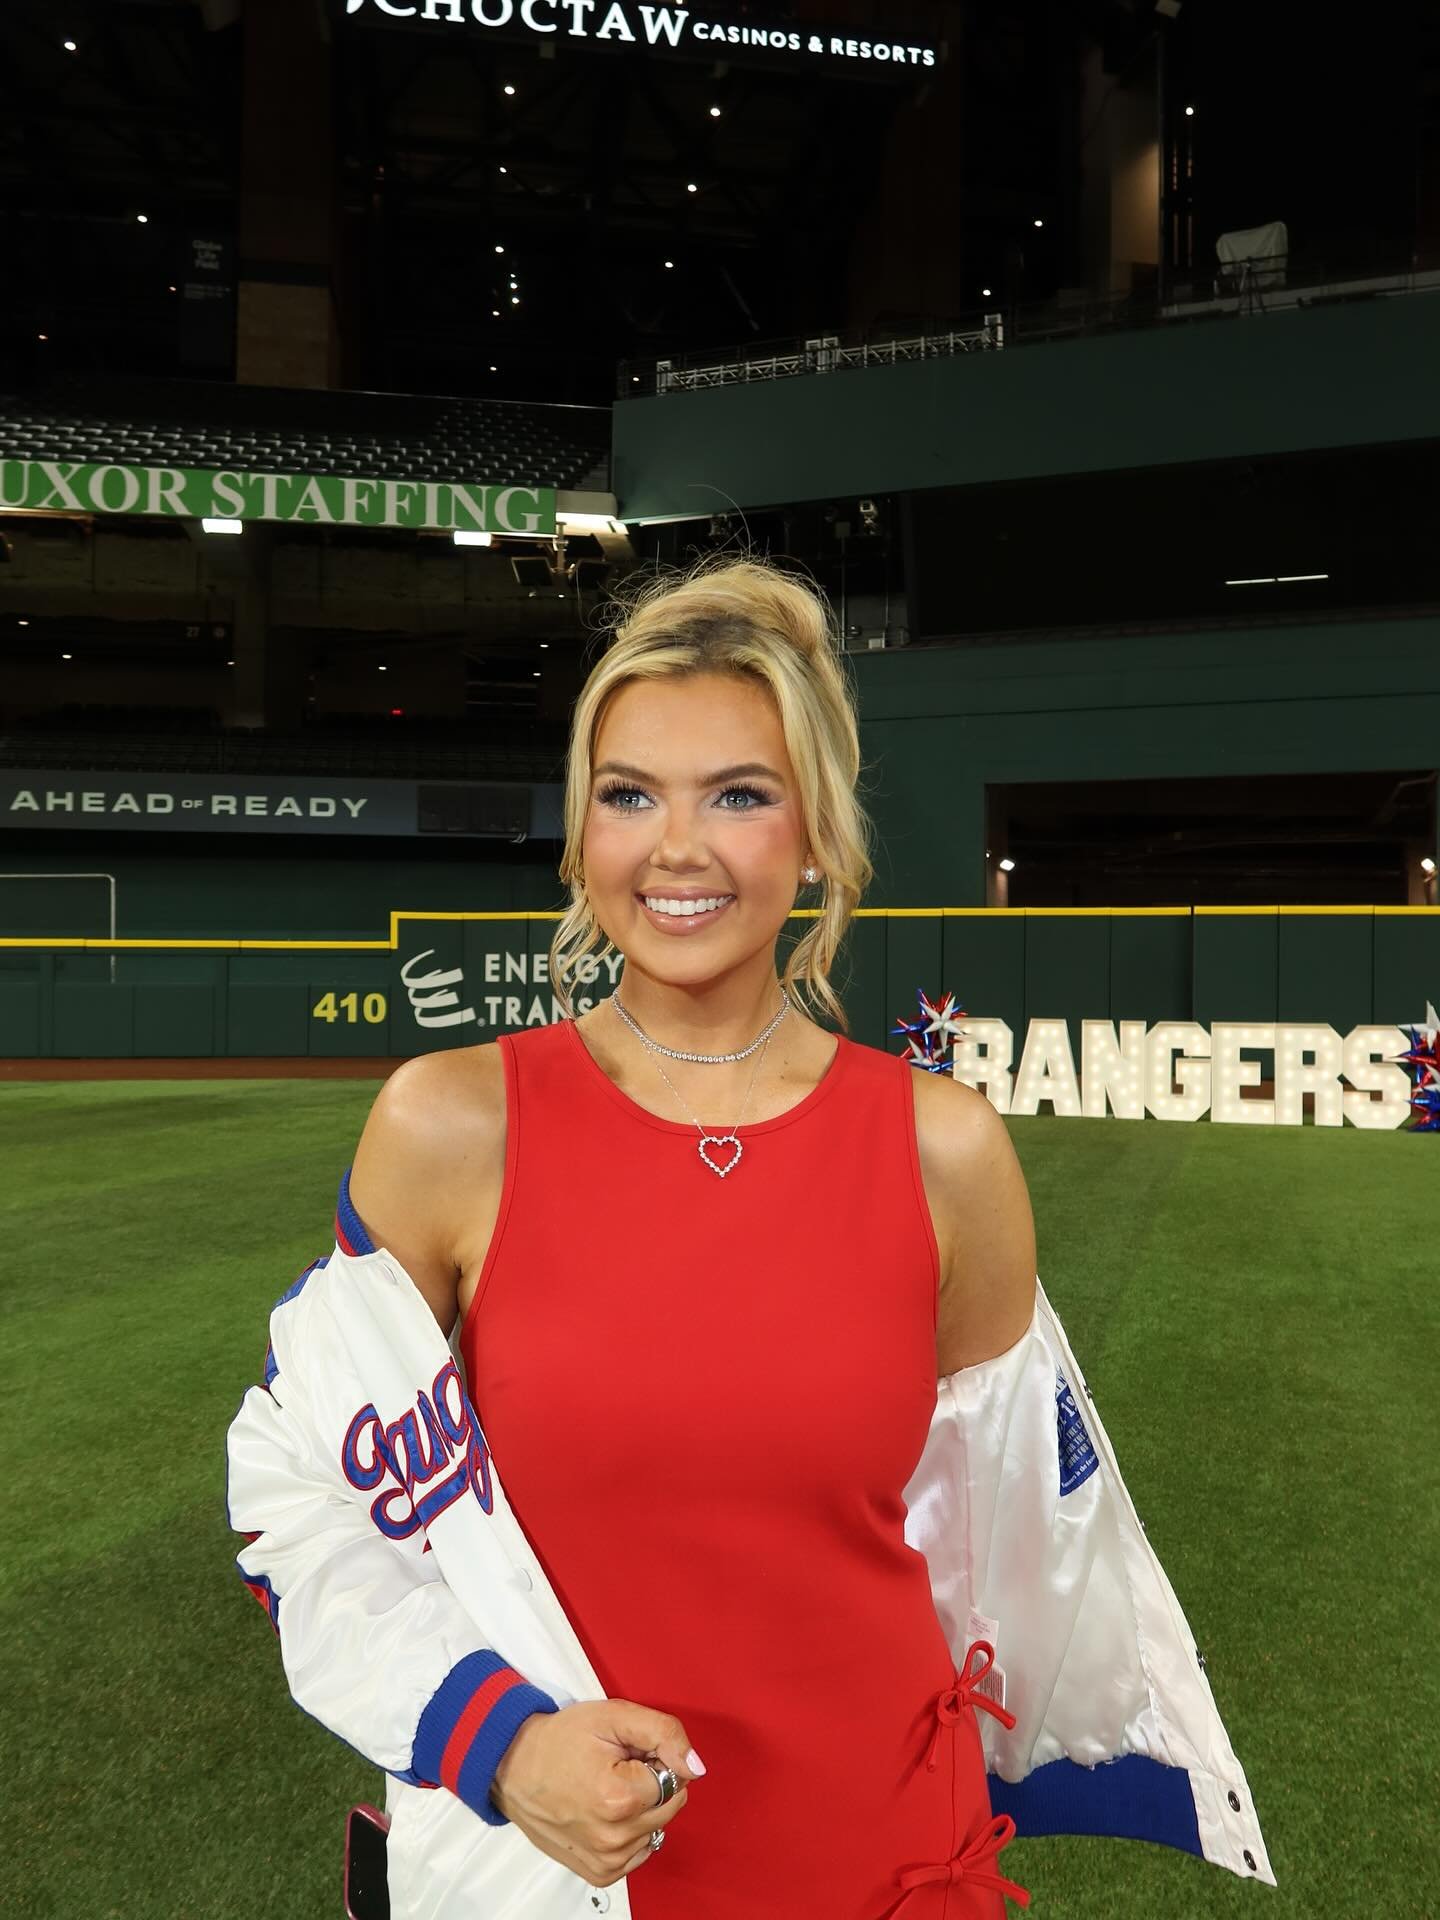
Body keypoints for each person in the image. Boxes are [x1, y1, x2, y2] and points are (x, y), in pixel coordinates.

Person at [226, 555, 1272, 1918]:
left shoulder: (944, 1149)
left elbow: (1013, 1536)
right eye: (628, 794)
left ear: (818, 836)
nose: (676, 846)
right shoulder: (448, 1128)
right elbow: (300, 1497)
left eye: (738, 794)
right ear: (578, 835)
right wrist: (497, 1745)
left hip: (885, 1859)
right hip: (550, 1866)